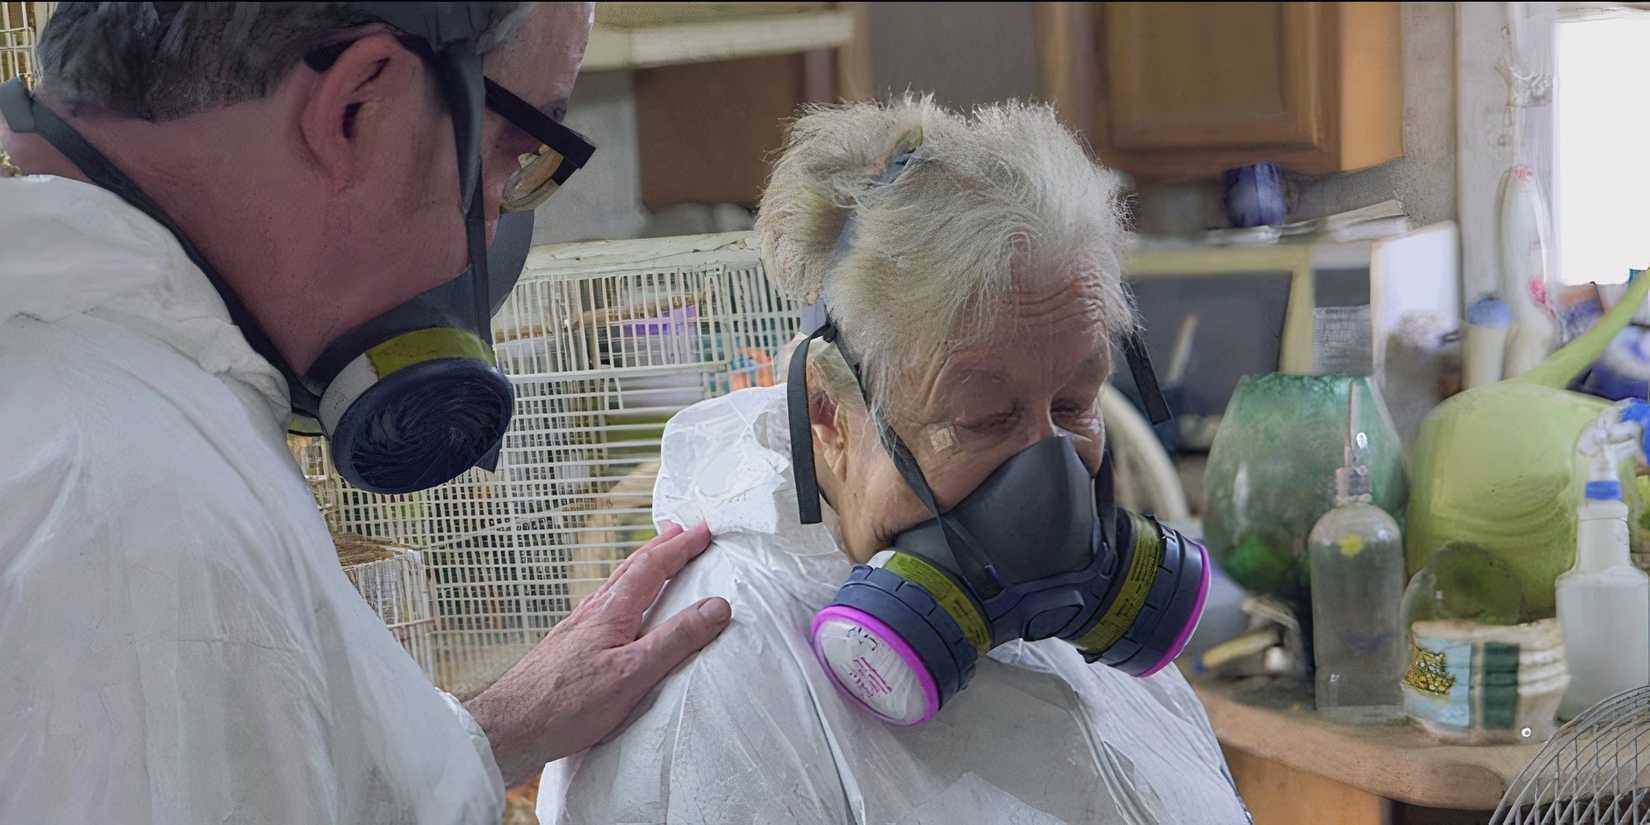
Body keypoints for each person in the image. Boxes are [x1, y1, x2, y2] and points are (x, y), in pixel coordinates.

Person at [0, 3, 731, 822]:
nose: (492, 226)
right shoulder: (142, 521)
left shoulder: (91, 398)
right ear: (358, 107)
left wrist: (486, 737)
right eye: (511, 152)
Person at [536, 96, 1253, 825]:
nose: (1053, 482)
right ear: (828, 413)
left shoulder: (1080, 630)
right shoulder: (722, 693)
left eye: (1074, 405)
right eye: (983, 418)